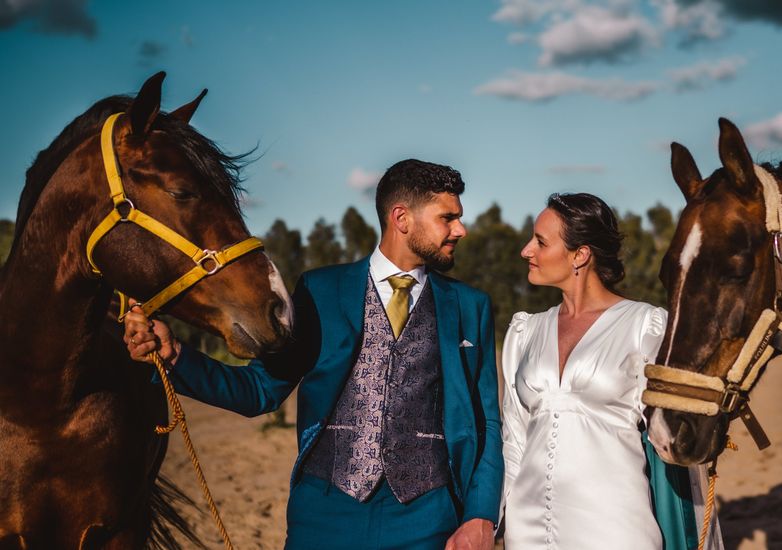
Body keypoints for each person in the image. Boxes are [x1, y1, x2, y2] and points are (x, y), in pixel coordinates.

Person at [125, 159, 502, 550]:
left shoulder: (470, 305)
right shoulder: (319, 291)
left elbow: (487, 420)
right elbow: (259, 390)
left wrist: (481, 513)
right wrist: (175, 356)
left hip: (429, 520)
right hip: (325, 516)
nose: (461, 229)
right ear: (402, 218)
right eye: (448, 217)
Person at [500, 193, 720, 549]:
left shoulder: (643, 326)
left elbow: (673, 433)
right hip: (527, 532)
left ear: (580, 255)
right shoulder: (524, 332)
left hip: (614, 527)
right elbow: (514, 441)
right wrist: (496, 521)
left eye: (540, 241)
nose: (527, 250)